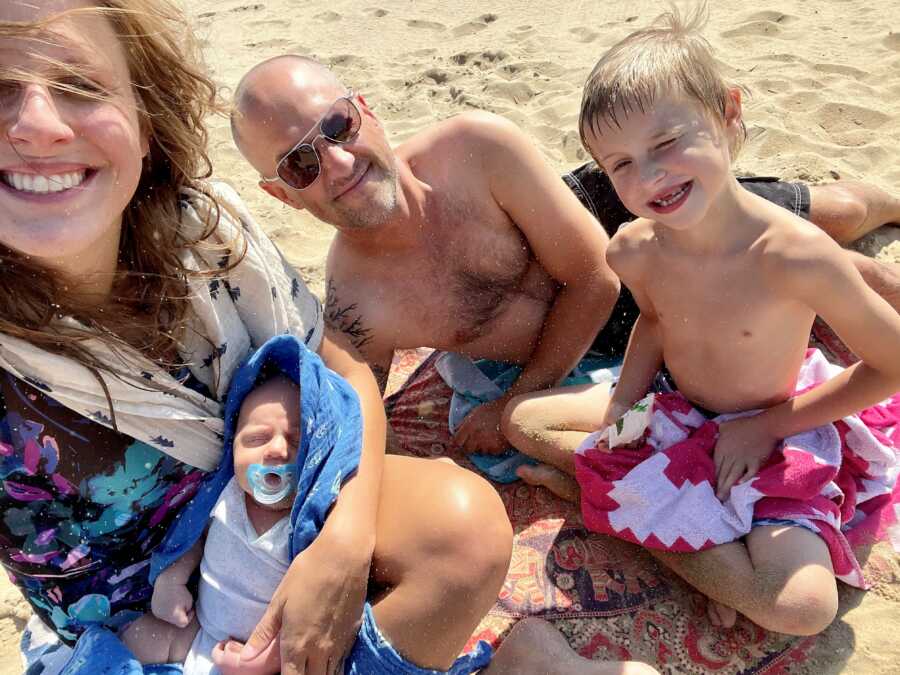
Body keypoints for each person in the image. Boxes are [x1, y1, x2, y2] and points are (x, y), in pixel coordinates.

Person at [0, 2, 517, 674]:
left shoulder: (208, 236)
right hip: (144, 631)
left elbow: (336, 365)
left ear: (145, 118)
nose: (38, 125)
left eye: (81, 87)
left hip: (270, 512)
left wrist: (343, 541)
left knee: (464, 524)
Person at [229, 54, 900, 469]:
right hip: (620, 347)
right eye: (302, 163)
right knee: (810, 295)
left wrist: (524, 392)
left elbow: (593, 276)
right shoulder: (357, 305)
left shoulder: (476, 147)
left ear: (366, 111)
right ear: (280, 193)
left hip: (618, 226)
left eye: (338, 126)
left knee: (834, 226)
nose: (339, 163)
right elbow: (349, 422)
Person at [503, 6, 900, 636]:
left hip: (774, 427)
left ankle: (629, 509)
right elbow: (655, 326)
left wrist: (769, 425)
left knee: (801, 610)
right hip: (677, 411)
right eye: (621, 163)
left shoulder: (793, 255)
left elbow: (893, 363)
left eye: (666, 143)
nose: (650, 174)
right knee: (521, 419)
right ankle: (678, 530)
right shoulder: (634, 248)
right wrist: (623, 414)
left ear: (728, 112)